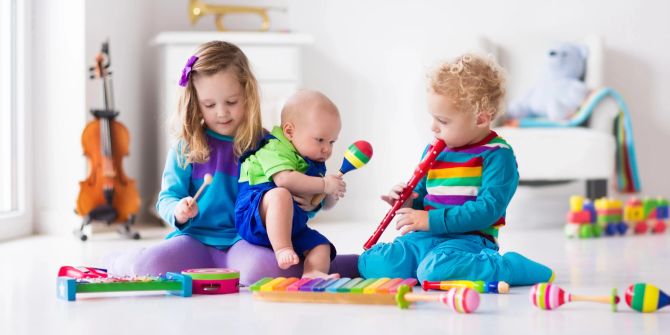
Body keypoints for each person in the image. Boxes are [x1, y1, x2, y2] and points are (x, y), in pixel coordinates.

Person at [103, 41, 358, 284]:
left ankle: (347, 266)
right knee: (148, 268)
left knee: (273, 271)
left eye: (231, 102)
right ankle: (116, 261)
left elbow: (292, 200)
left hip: (245, 242)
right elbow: (166, 199)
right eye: (209, 104)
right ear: (195, 103)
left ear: (247, 95)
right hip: (195, 239)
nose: (222, 112)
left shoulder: (268, 145)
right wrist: (179, 210)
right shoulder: (186, 147)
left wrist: (309, 201)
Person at [358, 54, 554, 285]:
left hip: (469, 241)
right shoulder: (434, 150)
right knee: (374, 262)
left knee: (434, 271)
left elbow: (487, 210)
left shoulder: (497, 155)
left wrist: (432, 220)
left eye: (443, 121)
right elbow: (423, 199)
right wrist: (409, 201)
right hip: (426, 237)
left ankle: (510, 267)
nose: (433, 128)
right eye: (433, 118)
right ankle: (324, 261)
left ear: (480, 119)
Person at [235, 90, 345, 279]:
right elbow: (284, 180)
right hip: (254, 217)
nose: (327, 149)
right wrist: (324, 184)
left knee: (321, 246)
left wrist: (331, 195)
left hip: (292, 225)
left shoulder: (313, 162)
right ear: (289, 131)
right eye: (320, 140)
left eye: (332, 142)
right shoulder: (273, 148)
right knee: (280, 194)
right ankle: (282, 249)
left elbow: (320, 204)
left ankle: (313, 273)